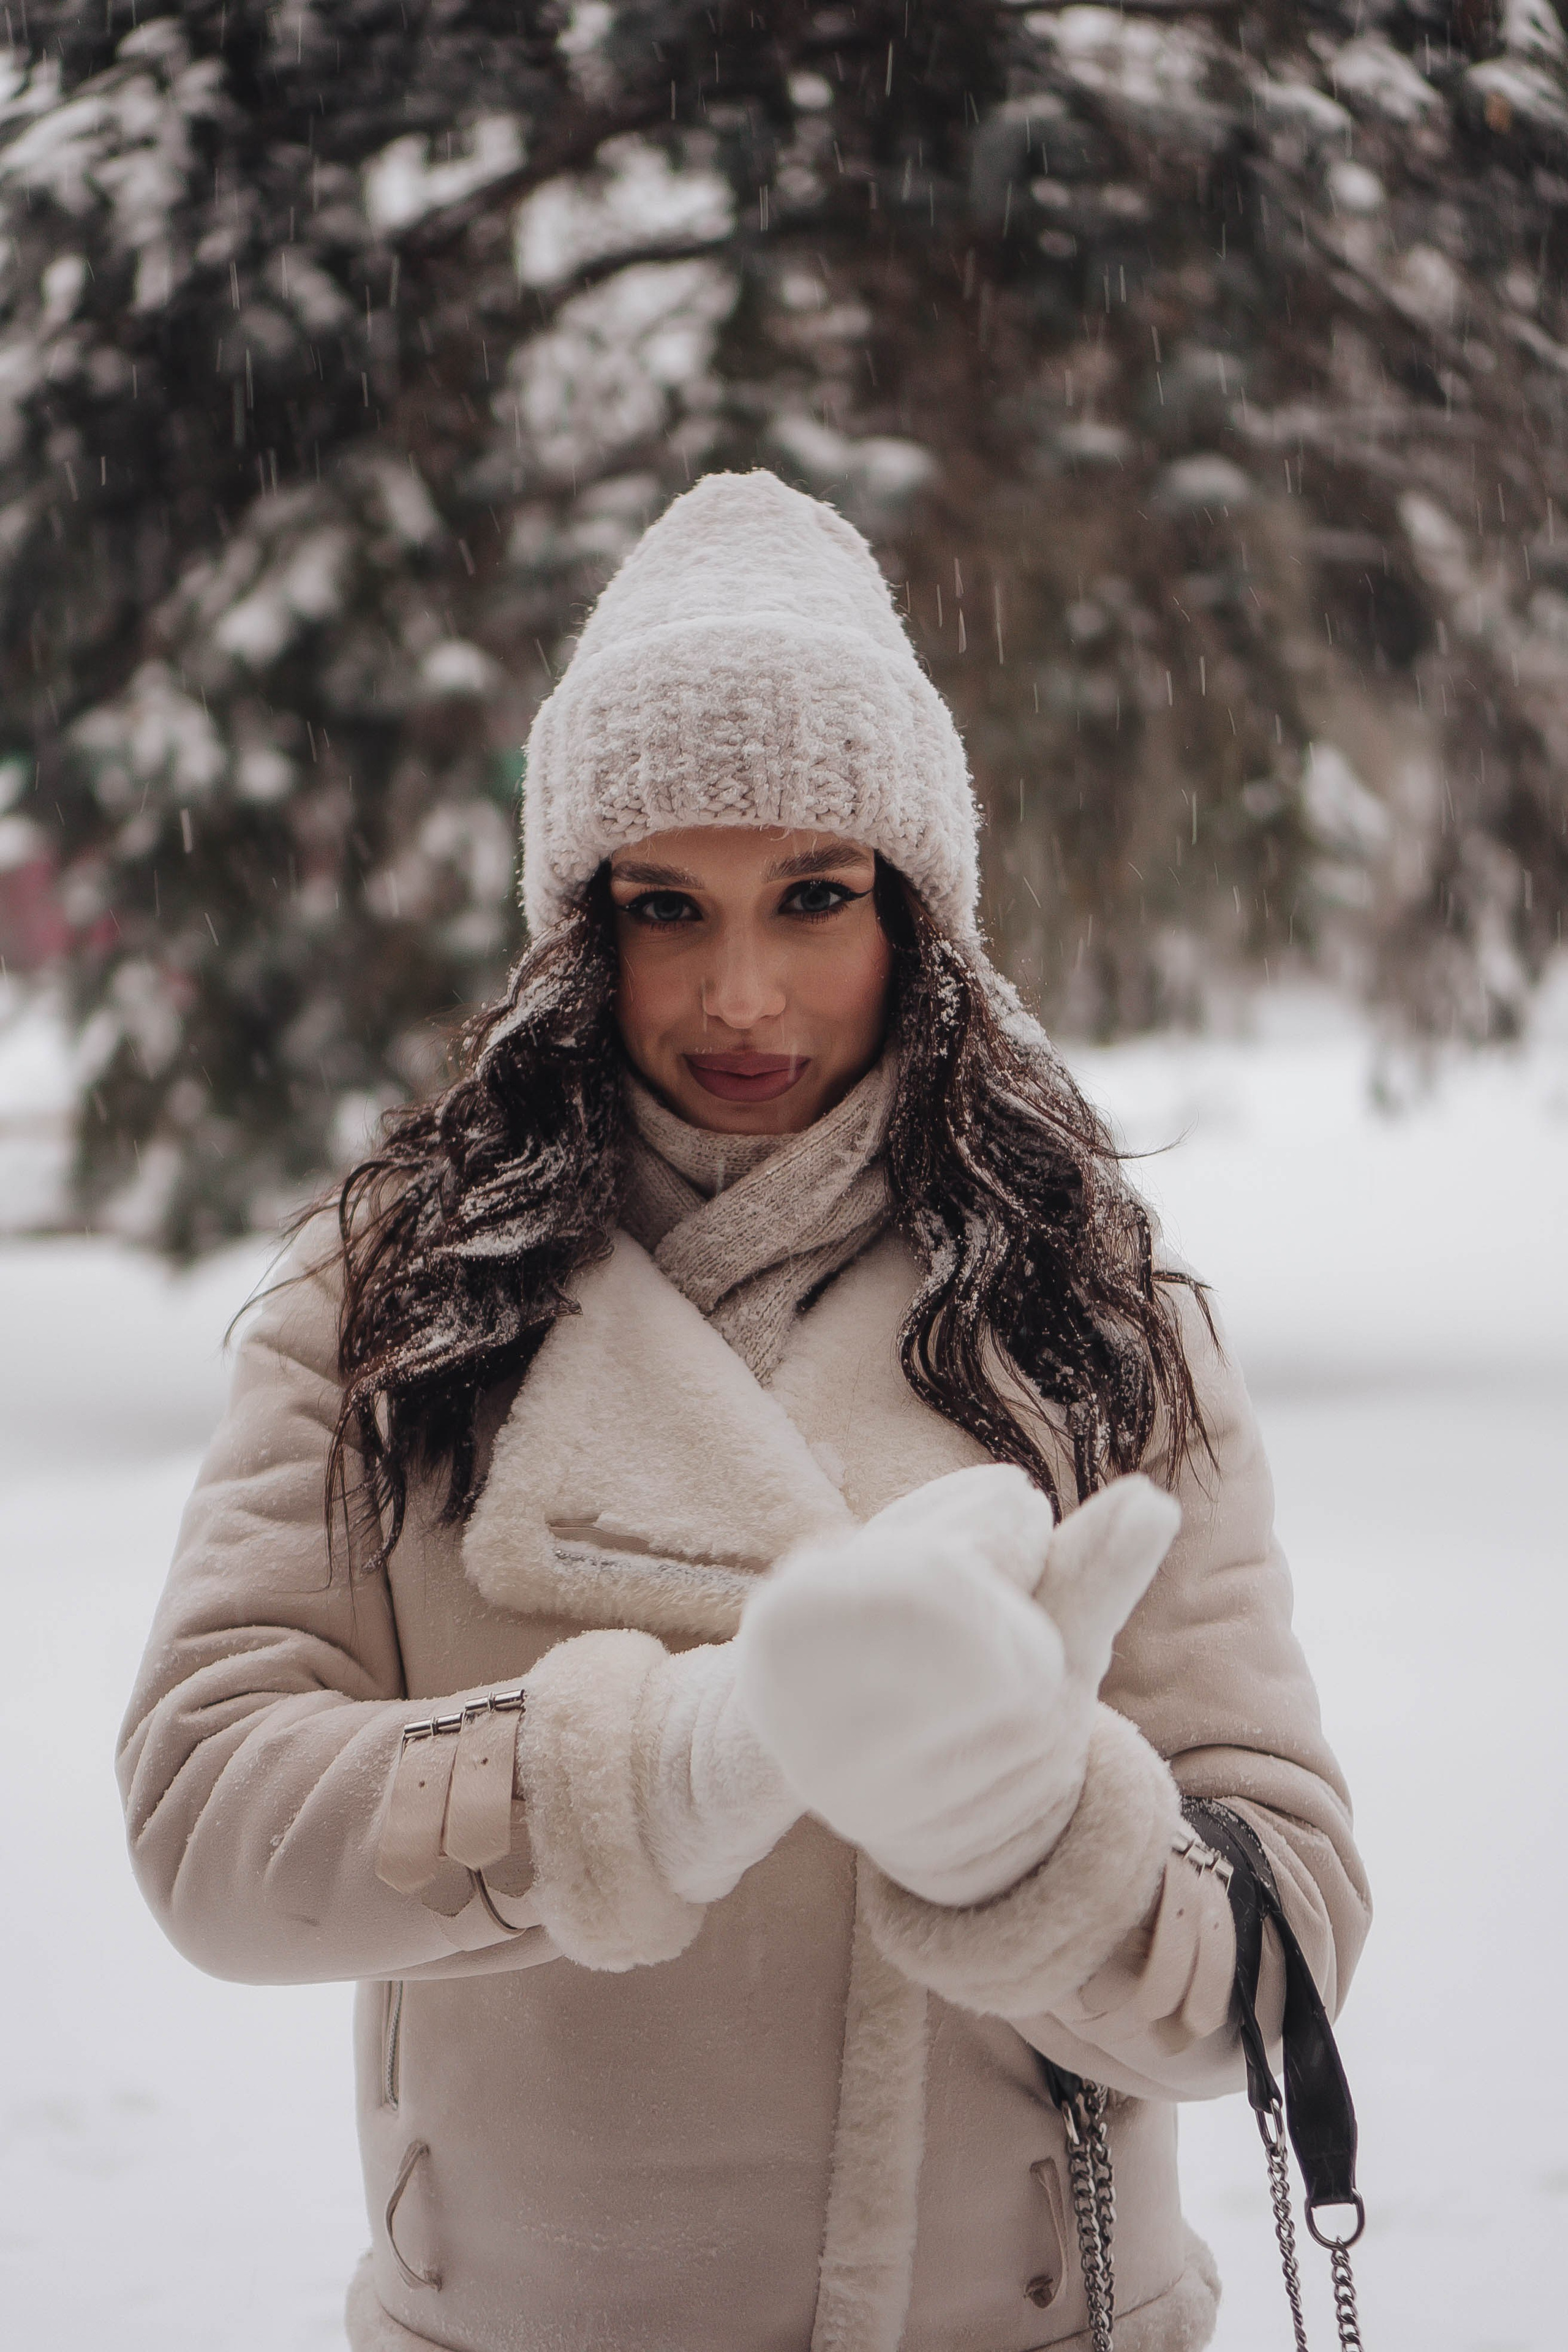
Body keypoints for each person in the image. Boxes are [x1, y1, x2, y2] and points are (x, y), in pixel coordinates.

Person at [119, 471, 1368, 2352]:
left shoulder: (1092, 1308)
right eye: (663, 907)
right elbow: (211, 1820)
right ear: (575, 928)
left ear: (919, 913)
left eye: (814, 896)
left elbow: (1288, 1948)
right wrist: (655, 1772)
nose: (740, 993)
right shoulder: (388, 1296)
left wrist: (1038, 1834)